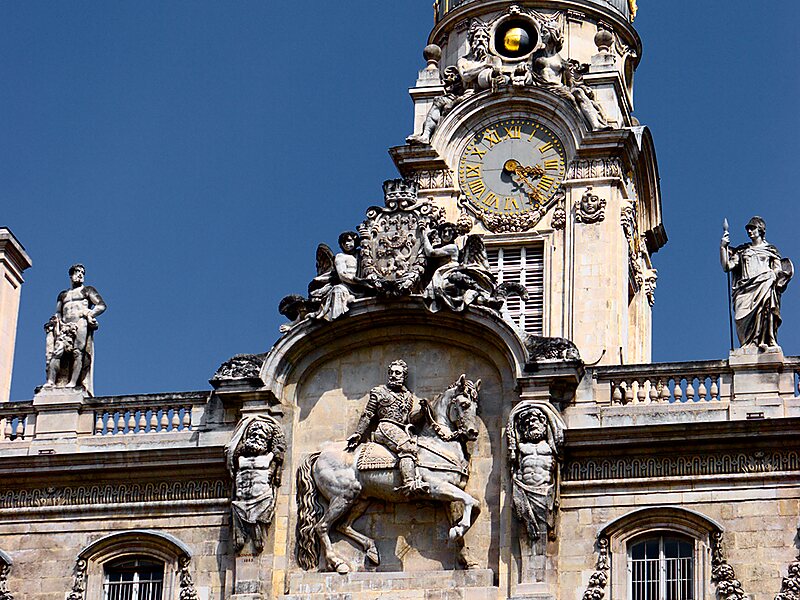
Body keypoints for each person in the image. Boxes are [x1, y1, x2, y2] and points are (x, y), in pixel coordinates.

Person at [346, 360, 429, 496]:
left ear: (404, 377)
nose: (393, 375)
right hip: (385, 427)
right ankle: (409, 483)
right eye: (391, 372)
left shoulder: (408, 396)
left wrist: (422, 411)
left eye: (397, 373)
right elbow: (368, 414)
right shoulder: (379, 392)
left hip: (403, 430)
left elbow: (409, 419)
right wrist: (358, 433)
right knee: (406, 446)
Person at [720, 216, 792, 348]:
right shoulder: (742, 251)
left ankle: (767, 340)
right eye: (748, 229)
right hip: (745, 289)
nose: (749, 231)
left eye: (752, 228)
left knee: (766, 310)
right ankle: (748, 343)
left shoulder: (770, 250)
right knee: (739, 316)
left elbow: (777, 269)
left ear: (760, 230)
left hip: (765, 282)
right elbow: (727, 267)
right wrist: (723, 247)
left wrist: (773, 275)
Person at [44, 264, 106, 394]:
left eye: (82, 273)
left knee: (78, 353)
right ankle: (51, 381)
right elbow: (58, 312)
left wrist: (89, 314)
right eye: (77, 272)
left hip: (80, 323)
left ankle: (73, 383)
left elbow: (101, 305)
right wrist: (55, 322)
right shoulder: (63, 295)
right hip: (65, 326)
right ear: (71, 275)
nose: (80, 275)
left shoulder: (87, 290)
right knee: (57, 353)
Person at [310, 231, 369, 321]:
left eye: (349, 240)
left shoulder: (362, 254)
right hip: (348, 285)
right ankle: (337, 321)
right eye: (343, 242)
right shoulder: (340, 257)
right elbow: (342, 275)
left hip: (363, 287)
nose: (346, 244)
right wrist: (358, 281)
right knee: (338, 290)